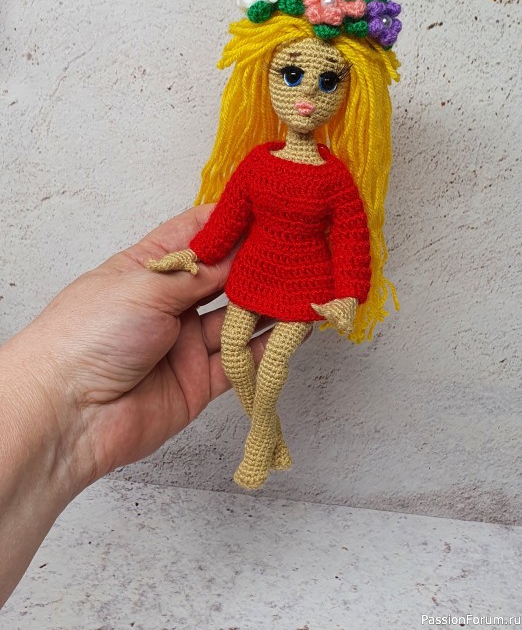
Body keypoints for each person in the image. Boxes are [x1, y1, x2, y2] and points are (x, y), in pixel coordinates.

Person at [0, 205, 302, 607]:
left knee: (266, 359)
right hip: (257, 277)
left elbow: (349, 233)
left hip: (299, 282)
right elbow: (225, 224)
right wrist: (199, 257)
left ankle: (264, 443)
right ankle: (265, 442)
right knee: (236, 355)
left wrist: (350, 290)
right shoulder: (257, 177)